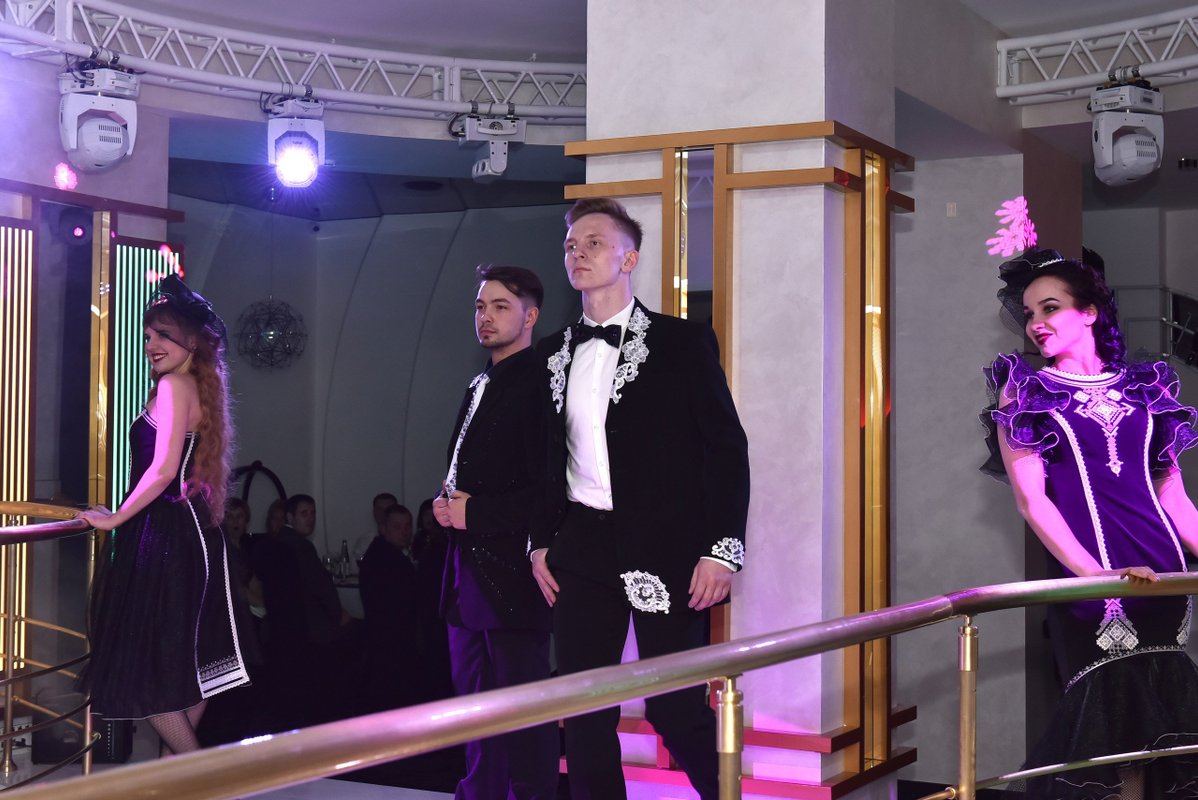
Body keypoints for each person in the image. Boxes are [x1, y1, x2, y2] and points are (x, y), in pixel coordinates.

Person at [529, 198, 750, 800]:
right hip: (581, 548)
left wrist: (722, 551)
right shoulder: (551, 353)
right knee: (583, 711)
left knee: (675, 709)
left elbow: (725, 449)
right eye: (571, 245)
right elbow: (544, 460)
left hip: (667, 548)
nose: (578, 253)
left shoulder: (683, 342)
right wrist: (540, 542)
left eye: (594, 243)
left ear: (629, 259)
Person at [981, 248, 1198, 799]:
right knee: (1111, 738)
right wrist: (1094, 576)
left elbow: (1172, 494)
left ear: (1090, 312)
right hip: (1093, 581)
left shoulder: (1145, 388)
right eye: (1030, 313)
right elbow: (1032, 502)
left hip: (1165, 575)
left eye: (1050, 308)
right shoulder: (1025, 392)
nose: (1036, 323)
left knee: (1161, 737)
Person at [77, 274, 249, 755]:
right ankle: (184, 778)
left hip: (166, 537)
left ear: (192, 340)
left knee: (149, 675)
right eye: (149, 335)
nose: (151, 344)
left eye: (163, 335)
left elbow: (163, 470)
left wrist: (115, 518)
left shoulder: (175, 385)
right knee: (184, 671)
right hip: (192, 535)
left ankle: (199, 777)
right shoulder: (197, 386)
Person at [433, 264, 559, 800]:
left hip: (514, 573)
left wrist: (476, 514)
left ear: (531, 316)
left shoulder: (540, 384)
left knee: (522, 712)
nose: (485, 317)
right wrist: (445, 502)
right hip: (466, 571)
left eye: (500, 306)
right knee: (474, 706)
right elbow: (471, 470)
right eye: (480, 307)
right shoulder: (480, 382)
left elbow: (549, 489)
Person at [358, 504, 420, 709]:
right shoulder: (392, 561)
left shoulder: (379, 554)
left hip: (383, 639)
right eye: (397, 526)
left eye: (407, 526)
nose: (404, 531)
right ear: (383, 528)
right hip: (393, 641)